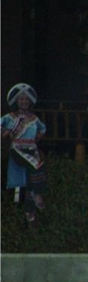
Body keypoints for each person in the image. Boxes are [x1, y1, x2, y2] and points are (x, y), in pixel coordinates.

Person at [1, 83, 47, 227]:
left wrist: (36, 138)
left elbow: (42, 129)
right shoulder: (10, 117)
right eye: (21, 99)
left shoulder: (34, 118)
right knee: (36, 165)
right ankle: (37, 194)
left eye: (26, 99)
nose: (24, 102)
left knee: (30, 180)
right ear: (16, 101)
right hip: (18, 149)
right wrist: (6, 133)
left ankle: (30, 213)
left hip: (31, 148)